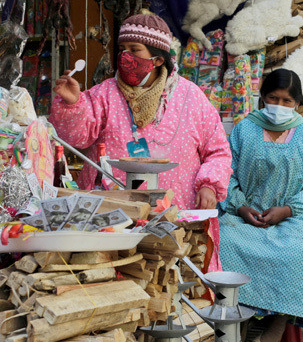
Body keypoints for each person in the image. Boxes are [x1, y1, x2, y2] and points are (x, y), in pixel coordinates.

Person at [50, 13, 232, 210]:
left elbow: (218, 152)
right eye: (122, 49)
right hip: (110, 209)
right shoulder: (104, 93)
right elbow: (75, 138)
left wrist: (210, 185)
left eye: (135, 49)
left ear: (159, 60)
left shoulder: (192, 97)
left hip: (174, 211)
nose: (125, 56)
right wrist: (72, 104)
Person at [216, 69, 303, 342]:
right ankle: (236, 317)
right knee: (225, 241)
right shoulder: (245, 129)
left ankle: (279, 322)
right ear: (262, 97)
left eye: (287, 101)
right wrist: (240, 206)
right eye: (273, 98)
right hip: (245, 212)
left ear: (297, 103)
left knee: (296, 250)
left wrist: (288, 209)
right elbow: (226, 174)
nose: (279, 106)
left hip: (295, 215)